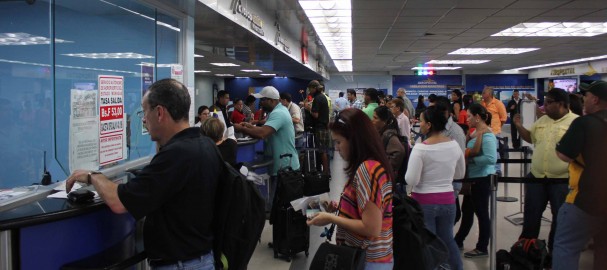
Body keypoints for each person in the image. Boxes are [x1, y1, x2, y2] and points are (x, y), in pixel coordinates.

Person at [66, 78, 220, 270]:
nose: (144, 119)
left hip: (181, 264)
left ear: (160, 112)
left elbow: (119, 202)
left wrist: (92, 176)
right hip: (202, 257)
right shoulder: (205, 144)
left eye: (144, 111)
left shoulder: (176, 155)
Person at [307, 108, 394, 270]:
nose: (337, 149)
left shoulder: (367, 170)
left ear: (355, 140)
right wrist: (340, 208)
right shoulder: (370, 165)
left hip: (367, 260)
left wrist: (331, 218)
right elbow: (366, 208)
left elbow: (372, 228)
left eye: (339, 142)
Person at [512, 88, 577, 254]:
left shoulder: (576, 123)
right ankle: (527, 252)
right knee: (531, 216)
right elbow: (530, 138)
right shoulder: (542, 121)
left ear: (561, 104)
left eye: (548, 103)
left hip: (562, 180)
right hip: (537, 177)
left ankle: (554, 254)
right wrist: (519, 126)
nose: (544, 107)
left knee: (559, 218)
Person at [553, 80, 607, 270]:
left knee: (566, 245)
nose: (583, 99)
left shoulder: (585, 123)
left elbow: (563, 154)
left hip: (587, 198)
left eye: (586, 95)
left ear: (595, 99)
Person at [405, 106, 465, 270]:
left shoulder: (421, 148)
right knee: (447, 239)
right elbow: (460, 173)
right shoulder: (454, 145)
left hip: (424, 203)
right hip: (448, 201)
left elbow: (411, 179)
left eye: (422, 121)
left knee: (426, 243)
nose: (420, 124)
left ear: (429, 124)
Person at [234, 86, 300, 196]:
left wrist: (241, 129)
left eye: (263, 100)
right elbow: (263, 129)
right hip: (280, 165)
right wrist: (248, 126)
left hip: (285, 167)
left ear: (272, 100)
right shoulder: (274, 111)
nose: (261, 103)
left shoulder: (279, 113)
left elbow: (263, 133)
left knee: (282, 203)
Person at [454, 103, 497, 258]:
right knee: (467, 212)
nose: (468, 119)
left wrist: (471, 161)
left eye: (470, 116)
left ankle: (482, 246)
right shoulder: (476, 134)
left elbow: (491, 158)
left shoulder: (487, 135)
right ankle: (458, 240)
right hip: (473, 179)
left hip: (482, 179)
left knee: (481, 213)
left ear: (478, 117)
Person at [303, 80, 331, 175]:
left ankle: (325, 172)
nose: (309, 91)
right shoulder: (322, 97)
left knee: (322, 151)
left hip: (320, 127)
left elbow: (315, 114)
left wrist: (308, 108)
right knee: (324, 150)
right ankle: (325, 171)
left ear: (314, 88)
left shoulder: (318, 99)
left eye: (310, 88)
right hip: (324, 126)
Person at [373, 106, 406, 179]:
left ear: (384, 121)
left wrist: (386, 167)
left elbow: (399, 151)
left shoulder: (388, 134)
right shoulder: (383, 132)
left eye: (375, 118)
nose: (373, 120)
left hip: (387, 176)